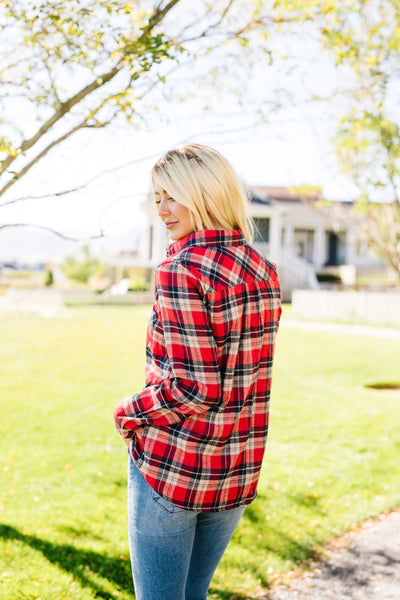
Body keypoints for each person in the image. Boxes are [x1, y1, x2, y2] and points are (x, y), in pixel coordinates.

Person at [114, 143, 281, 600]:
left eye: (173, 196)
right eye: (157, 198)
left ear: (206, 192)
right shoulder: (262, 269)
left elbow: (193, 387)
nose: (163, 210)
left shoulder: (181, 268)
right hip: (236, 471)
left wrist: (127, 410)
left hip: (175, 469)